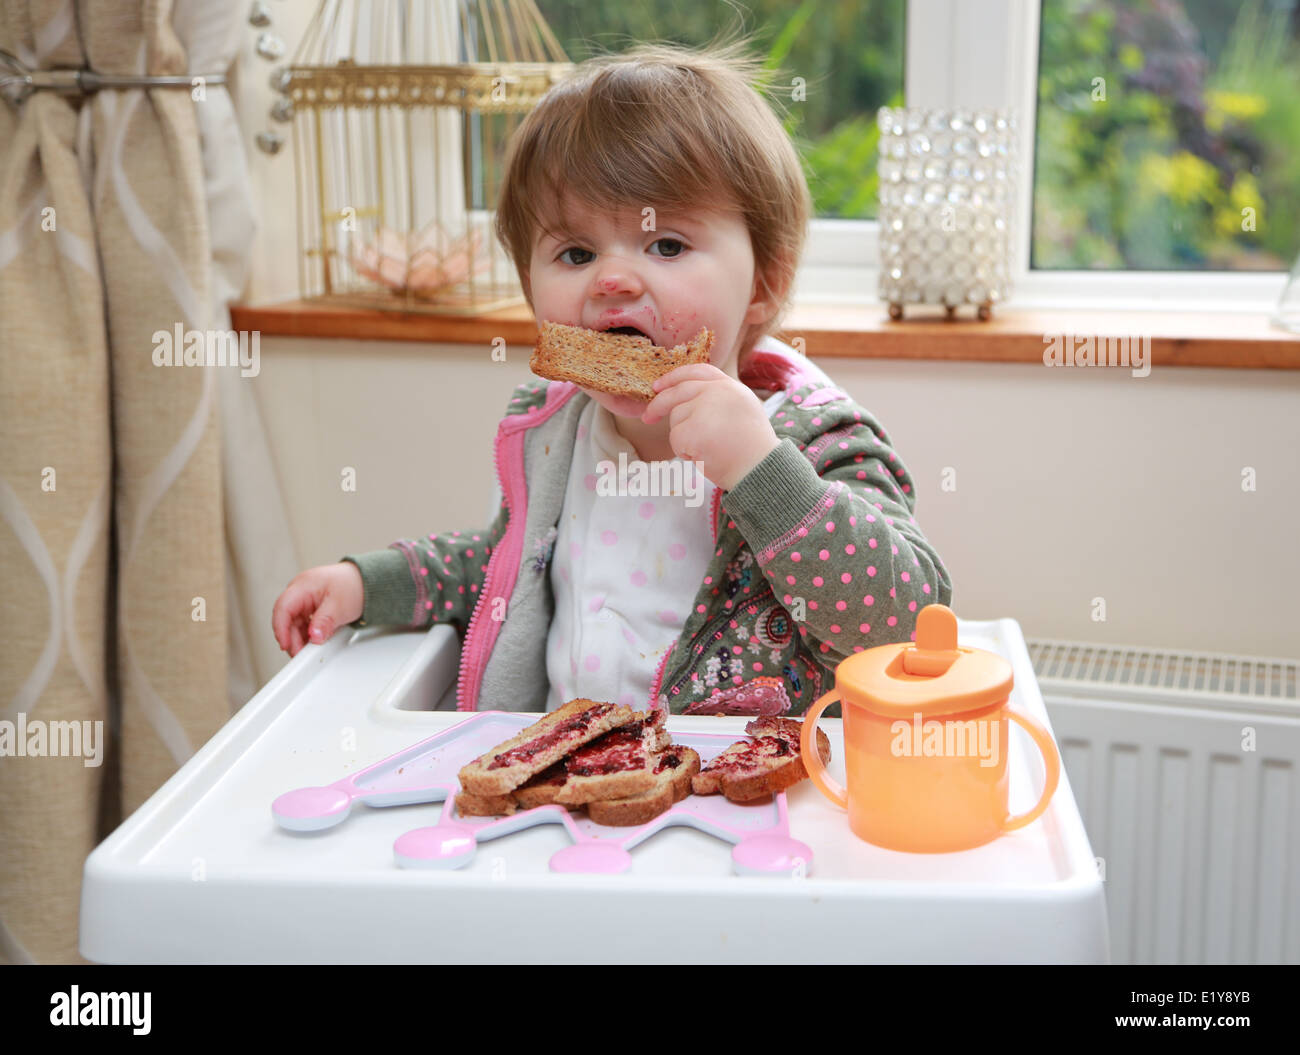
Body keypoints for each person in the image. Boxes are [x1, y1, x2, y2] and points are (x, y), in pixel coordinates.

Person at [271, 38, 954, 717]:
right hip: (577, 784)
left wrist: (760, 468)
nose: (614, 279)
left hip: (745, 797)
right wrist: (368, 583)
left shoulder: (811, 439)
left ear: (763, 283)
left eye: (667, 244)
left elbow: (906, 624)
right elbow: (508, 565)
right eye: (575, 251)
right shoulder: (557, 428)